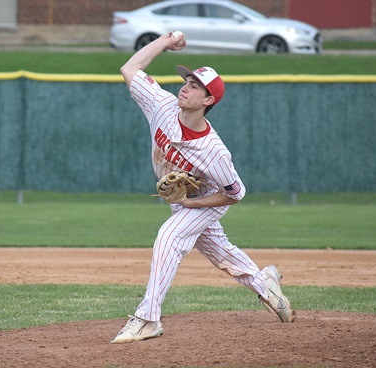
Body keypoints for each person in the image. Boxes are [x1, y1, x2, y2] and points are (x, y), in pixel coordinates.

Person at [111, 32, 295, 344]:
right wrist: (164, 42)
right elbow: (130, 69)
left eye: (195, 86)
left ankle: (148, 319)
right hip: (184, 200)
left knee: (169, 237)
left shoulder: (215, 152)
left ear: (208, 100)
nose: (186, 87)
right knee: (221, 254)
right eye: (187, 81)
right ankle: (265, 284)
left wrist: (194, 205)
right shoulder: (162, 105)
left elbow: (236, 193)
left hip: (207, 200)